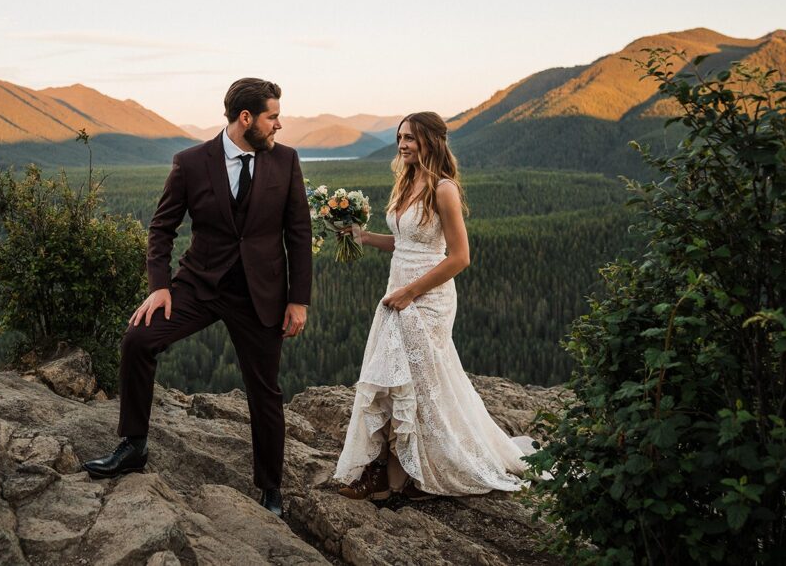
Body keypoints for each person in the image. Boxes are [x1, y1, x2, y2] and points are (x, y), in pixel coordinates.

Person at [82, 78, 312, 518]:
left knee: (265, 391)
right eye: (273, 116)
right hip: (199, 285)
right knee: (138, 339)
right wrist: (160, 287)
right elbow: (161, 229)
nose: (279, 125)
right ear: (246, 119)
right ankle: (133, 445)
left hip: (260, 294)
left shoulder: (285, 161)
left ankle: (270, 489)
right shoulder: (190, 162)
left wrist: (298, 299)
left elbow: (298, 234)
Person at [333, 112, 533, 501]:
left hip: (428, 299)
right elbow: (405, 243)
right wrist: (362, 236)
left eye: (410, 138)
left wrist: (411, 292)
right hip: (397, 293)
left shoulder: (443, 189)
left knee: (419, 385)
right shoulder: (406, 182)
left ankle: (406, 476)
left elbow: (459, 257)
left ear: (432, 141)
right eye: (399, 138)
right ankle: (389, 470)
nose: (403, 145)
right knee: (392, 381)